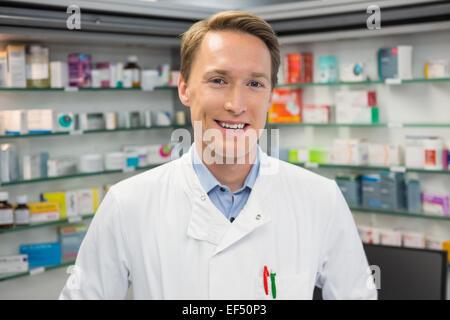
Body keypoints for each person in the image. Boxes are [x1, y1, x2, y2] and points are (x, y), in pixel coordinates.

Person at [59, 10, 377, 300]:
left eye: (254, 83)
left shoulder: (320, 199)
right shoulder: (128, 204)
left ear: (270, 97)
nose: (236, 104)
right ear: (184, 88)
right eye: (218, 80)